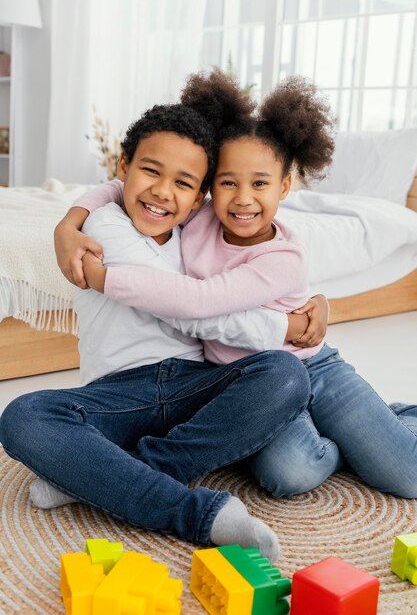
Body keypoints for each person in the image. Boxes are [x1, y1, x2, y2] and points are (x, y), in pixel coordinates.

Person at [0, 86, 315, 562]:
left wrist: (312, 304)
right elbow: (190, 306)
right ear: (123, 165)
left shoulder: (192, 226)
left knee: (286, 374)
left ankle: (123, 473)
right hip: (120, 394)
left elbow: (223, 283)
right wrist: (283, 328)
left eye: (184, 184)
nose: (164, 192)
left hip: (192, 381)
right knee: (24, 416)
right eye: (150, 170)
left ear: (200, 197)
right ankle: (196, 514)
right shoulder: (105, 231)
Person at [77, 71, 417, 500]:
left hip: (313, 365)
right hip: (251, 384)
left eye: (260, 184)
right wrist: (70, 222)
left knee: (408, 475)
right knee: (289, 475)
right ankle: (354, 438)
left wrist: (105, 279)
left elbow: (200, 302)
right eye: (227, 182)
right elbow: (118, 186)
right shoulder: (196, 215)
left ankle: (392, 416)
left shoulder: (284, 258)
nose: (242, 198)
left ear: (285, 186)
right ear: (208, 188)